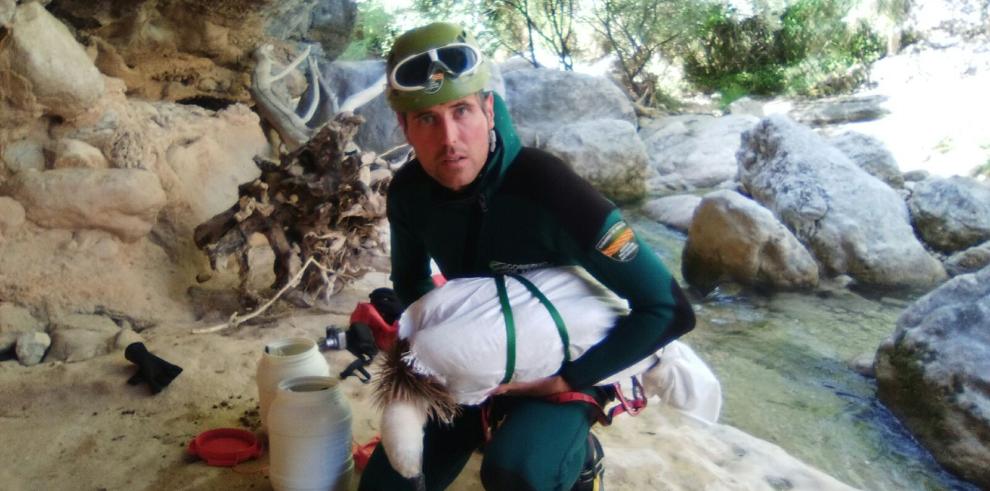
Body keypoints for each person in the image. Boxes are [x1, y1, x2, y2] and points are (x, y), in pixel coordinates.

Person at [358, 22, 695, 491]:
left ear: (489, 110)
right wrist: (432, 356)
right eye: (427, 120)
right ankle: (496, 422)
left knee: (517, 471)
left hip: (569, 357)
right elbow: (412, 284)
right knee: (386, 486)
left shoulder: (550, 190)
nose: (450, 138)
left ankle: (577, 458)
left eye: (462, 111)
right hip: (484, 349)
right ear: (404, 127)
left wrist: (565, 380)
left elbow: (669, 310)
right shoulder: (410, 193)